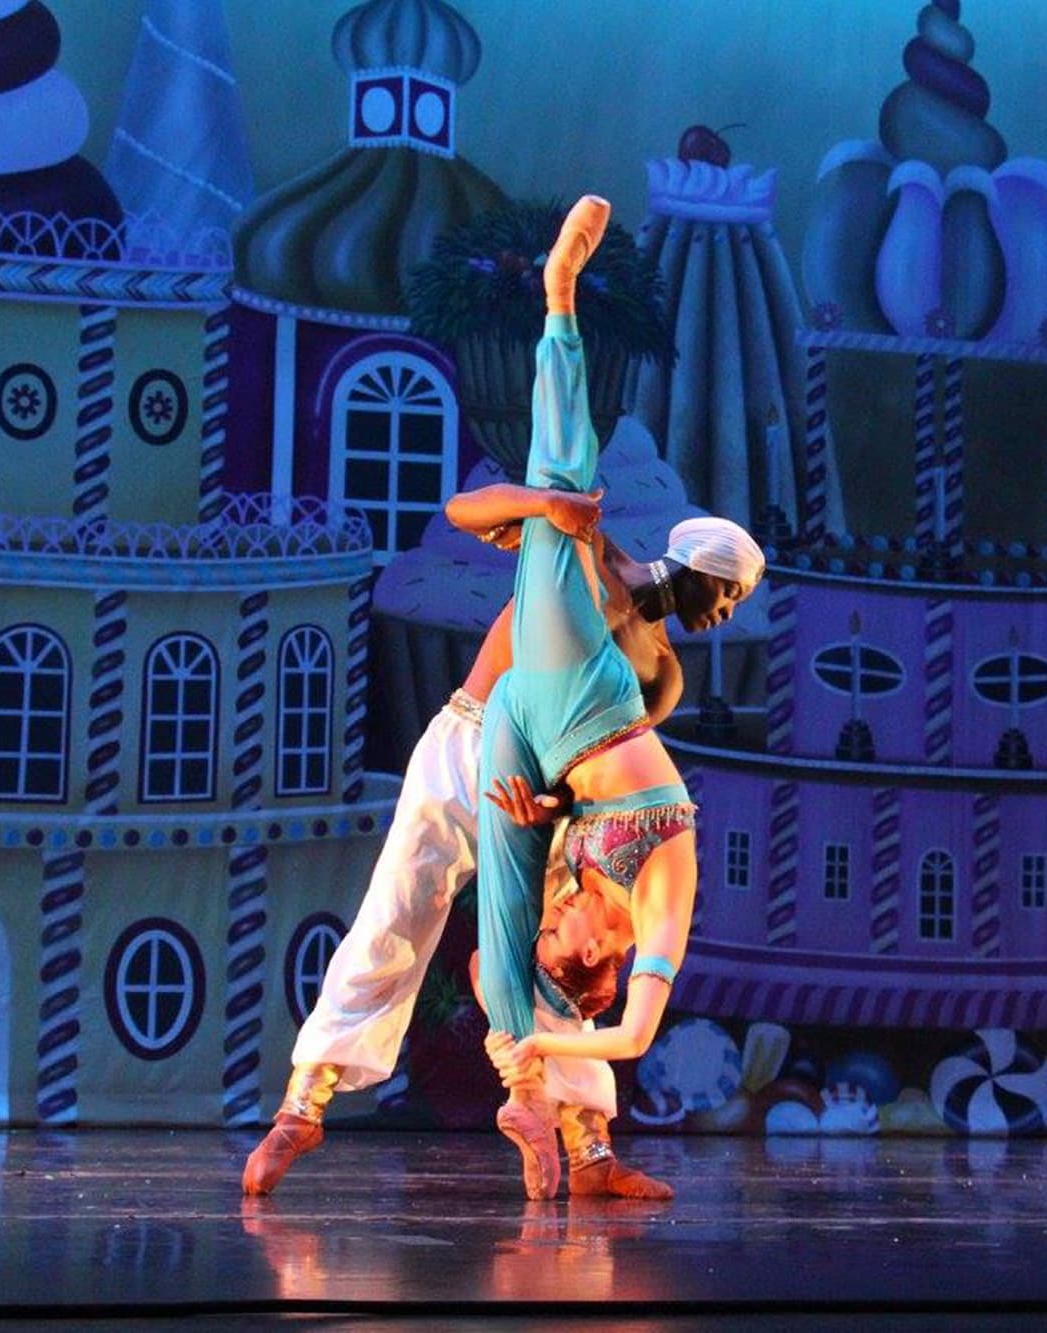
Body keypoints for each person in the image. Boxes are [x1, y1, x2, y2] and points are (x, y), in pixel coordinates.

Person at [239, 215, 759, 1204]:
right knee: (399, 910)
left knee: (527, 957)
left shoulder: (651, 664)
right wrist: (540, 508)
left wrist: (560, 822)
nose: (719, 612)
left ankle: (576, 1138)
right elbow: (459, 515)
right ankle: (302, 1105)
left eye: (726, 602)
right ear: (689, 564)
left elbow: (609, 771)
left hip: (538, 787)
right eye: (719, 589)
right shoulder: (590, 564)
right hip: (469, 740)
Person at [467, 194, 764, 1200]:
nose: (562, 925)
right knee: (562, 482)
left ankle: (547, 1124)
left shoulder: (580, 893)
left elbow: (562, 847)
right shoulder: (659, 902)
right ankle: (559, 298)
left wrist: (529, 1035)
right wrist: (560, 521)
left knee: (493, 950)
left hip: (533, 739)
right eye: (722, 593)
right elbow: (634, 1028)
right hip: (576, 693)